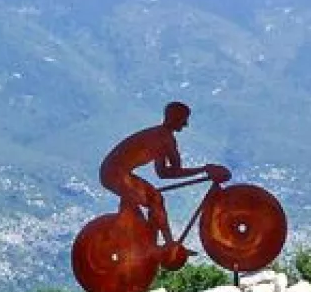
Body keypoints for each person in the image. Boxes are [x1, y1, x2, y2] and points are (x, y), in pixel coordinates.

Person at [98, 101, 229, 263]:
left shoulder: (161, 136)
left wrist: (204, 170)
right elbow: (172, 171)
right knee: (155, 199)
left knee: (150, 200)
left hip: (113, 172)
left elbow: (163, 173)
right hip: (115, 173)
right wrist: (205, 169)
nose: (186, 124)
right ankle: (164, 245)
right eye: (184, 119)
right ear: (174, 118)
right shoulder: (165, 139)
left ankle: (152, 243)